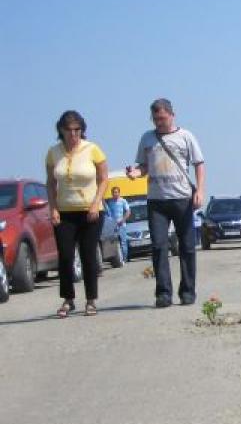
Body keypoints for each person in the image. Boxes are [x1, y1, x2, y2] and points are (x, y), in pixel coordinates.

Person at [126, 98, 205, 308]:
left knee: (187, 247)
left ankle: (187, 291)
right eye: (155, 119)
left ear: (172, 115)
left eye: (162, 118)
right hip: (156, 201)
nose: (158, 123)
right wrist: (135, 172)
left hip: (182, 198)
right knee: (159, 246)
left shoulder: (185, 136)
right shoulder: (147, 138)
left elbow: (199, 164)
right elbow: (143, 166)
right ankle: (163, 293)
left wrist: (200, 191)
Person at [45, 110, 108, 317]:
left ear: (82, 130)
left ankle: (91, 300)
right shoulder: (53, 153)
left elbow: (104, 179)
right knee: (65, 256)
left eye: (77, 130)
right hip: (64, 212)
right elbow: (51, 182)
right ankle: (68, 299)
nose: (73, 134)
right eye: (69, 130)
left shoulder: (93, 150)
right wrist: (53, 208)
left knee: (88, 254)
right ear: (61, 131)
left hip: (91, 212)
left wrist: (95, 204)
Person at [104, 185, 131, 263]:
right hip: (113, 226)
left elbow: (128, 211)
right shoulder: (110, 202)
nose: (115, 194)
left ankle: (125, 259)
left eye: (116, 192)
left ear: (119, 193)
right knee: (113, 242)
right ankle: (116, 259)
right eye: (113, 192)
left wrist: (123, 220)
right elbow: (108, 213)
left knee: (123, 242)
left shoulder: (123, 201)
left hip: (121, 225)